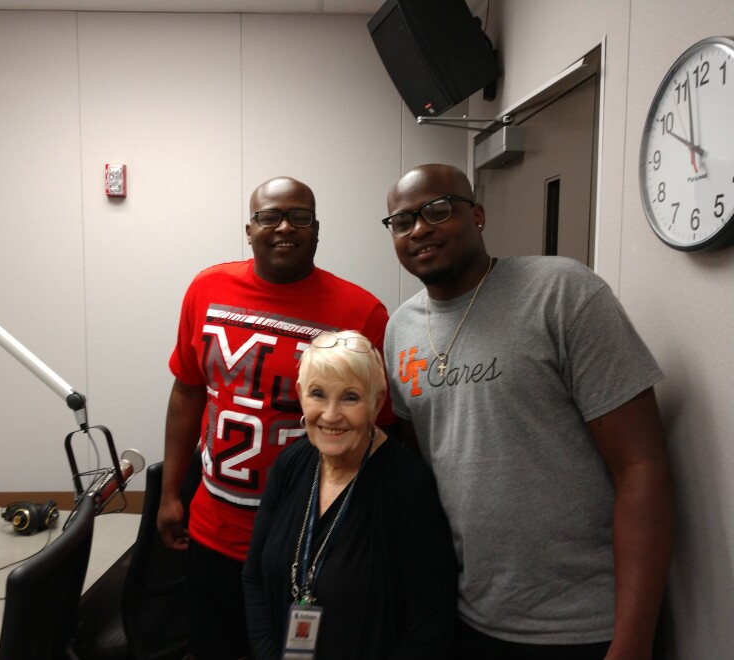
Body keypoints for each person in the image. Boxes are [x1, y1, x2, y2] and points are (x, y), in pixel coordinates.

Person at [380, 164, 674, 660]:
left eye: (437, 210)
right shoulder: (399, 329)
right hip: (469, 617)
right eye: (402, 221)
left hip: (586, 625)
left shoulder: (562, 292)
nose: (420, 228)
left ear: (477, 215)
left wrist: (632, 642)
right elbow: (423, 475)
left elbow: (641, 468)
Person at [158, 176, 395, 660]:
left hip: (308, 535)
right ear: (250, 229)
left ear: (316, 229)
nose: (284, 227)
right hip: (214, 525)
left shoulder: (361, 313)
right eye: (269, 217)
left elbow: (380, 430)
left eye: (300, 217)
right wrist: (169, 493)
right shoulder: (207, 289)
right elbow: (186, 392)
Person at [242, 330, 457, 659]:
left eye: (350, 397)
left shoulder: (407, 485)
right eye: (318, 394)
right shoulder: (291, 464)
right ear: (300, 394)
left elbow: (430, 620)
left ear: (377, 401)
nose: (330, 415)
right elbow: (254, 575)